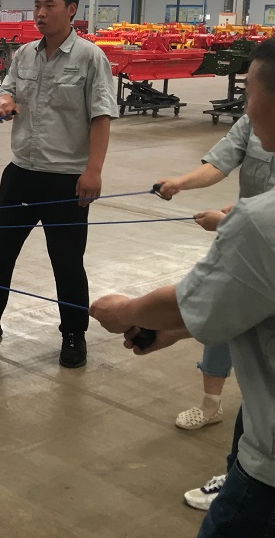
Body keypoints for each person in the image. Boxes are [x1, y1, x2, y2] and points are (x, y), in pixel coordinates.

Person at [90, 40, 275, 538]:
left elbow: (204, 304)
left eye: (251, 91)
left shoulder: (258, 225)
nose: (245, 101)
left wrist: (127, 311)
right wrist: (178, 328)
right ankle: (220, 426)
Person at [0, 0, 116, 369]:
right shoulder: (25, 53)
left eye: (49, 5)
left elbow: (102, 116)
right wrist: (6, 100)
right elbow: (7, 88)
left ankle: (73, 334)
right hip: (21, 173)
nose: (40, 13)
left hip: (66, 178)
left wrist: (93, 171)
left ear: (71, 9)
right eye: (37, 5)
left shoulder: (91, 58)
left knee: (67, 262)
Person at [155, 115, 275, 434]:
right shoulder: (253, 119)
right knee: (221, 306)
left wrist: (224, 223)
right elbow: (220, 163)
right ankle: (211, 403)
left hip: (261, 241)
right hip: (244, 241)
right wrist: (180, 183)